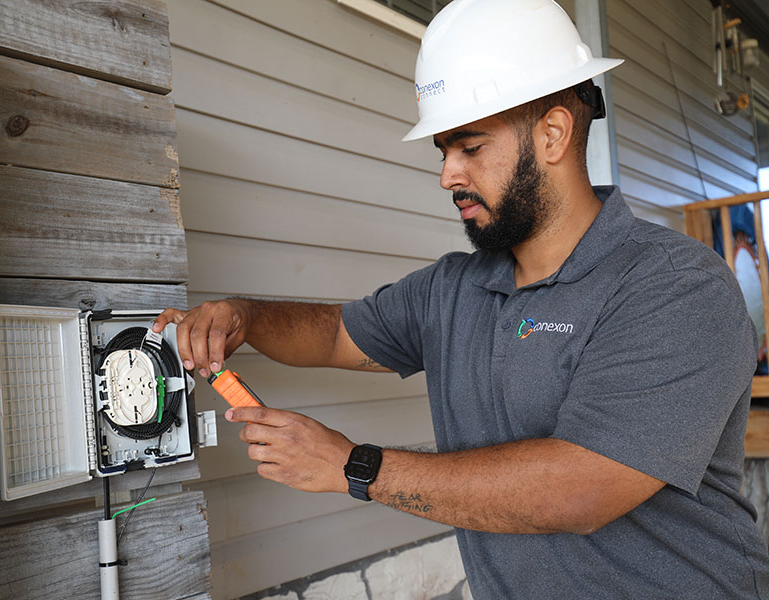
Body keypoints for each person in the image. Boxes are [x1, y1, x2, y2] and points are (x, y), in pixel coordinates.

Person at [154, 0, 769, 597]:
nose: (448, 174)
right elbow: (335, 333)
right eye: (443, 150)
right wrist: (245, 318)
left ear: (553, 133)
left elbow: (581, 489)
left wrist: (352, 466)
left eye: (471, 147)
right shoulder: (452, 289)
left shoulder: (673, 286)